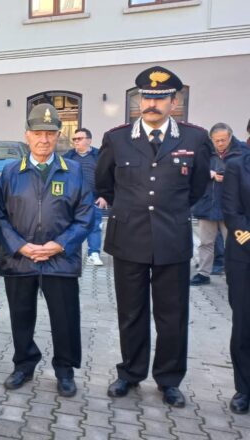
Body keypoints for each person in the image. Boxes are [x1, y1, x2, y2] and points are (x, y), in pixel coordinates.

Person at [95, 66, 210, 408]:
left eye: (161, 98)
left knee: (171, 315)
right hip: (128, 238)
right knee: (131, 313)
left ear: (175, 101)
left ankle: (169, 379)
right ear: (139, 99)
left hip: (171, 240)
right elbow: (104, 184)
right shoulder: (116, 138)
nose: (152, 103)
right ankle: (130, 373)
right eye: (147, 97)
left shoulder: (194, 138)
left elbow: (198, 187)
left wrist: (170, 212)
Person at [0, 103, 93, 397]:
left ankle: (65, 370)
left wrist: (60, 245)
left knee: (65, 319)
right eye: (38, 133)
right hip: (20, 260)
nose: (44, 139)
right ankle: (24, 363)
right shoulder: (11, 172)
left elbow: (86, 215)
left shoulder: (74, 171)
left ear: (57, 137)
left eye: (50, 134)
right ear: (27, 135)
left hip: (60, 260)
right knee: (21, 316)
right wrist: (20, 246)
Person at [190, 123, 247, 286]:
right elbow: (193, 170)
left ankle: (233, 274)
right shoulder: (204, 151)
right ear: (211, 139)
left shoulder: (242, 151)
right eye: (216, 140)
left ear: (230, 137)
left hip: (231, 207)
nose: (220, 144)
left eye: (223, 140)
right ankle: (203, 273)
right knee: (206, 242)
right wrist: (209, 173)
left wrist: (230, 175)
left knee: (233, 243)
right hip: (207, 203)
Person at [222, 145, 250, 414]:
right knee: (244, 324)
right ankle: (244, 388)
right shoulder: (236, 166)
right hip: (245, 256)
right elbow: (232, 211)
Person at [63, 128, 106, 266]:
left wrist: (105, 196)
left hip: (94, 197)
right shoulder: (68, 157)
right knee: (69, 226)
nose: (76, 142)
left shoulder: (99, 156)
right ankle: (67, 253)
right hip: (72, 198)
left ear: (89, 140)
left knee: (94, 226)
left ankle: (93, 254)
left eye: (79, 139)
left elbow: (108, 176)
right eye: (74, 139)